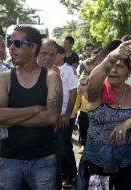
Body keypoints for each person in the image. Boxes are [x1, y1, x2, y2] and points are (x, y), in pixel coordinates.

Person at [76, 39, 131, 190]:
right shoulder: (97, 92)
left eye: (120, 66)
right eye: (111, 66)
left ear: (129, 73)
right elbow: (93, 81)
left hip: (128, 164)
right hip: (97, 165)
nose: (113, 70)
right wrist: (112, 57)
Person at [0, 26, 63, 189]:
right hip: (8, 160)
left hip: (43, 160)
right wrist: (35, 109)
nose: (11, 47)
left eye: (17, 43)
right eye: (9, 42)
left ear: (33, 47)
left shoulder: (51, 77)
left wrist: (10, 118)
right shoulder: (4, 78)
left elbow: (51, 117)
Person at [54, 45, 79, 188]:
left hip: (66, 117)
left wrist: (67, 114)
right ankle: (61, 174)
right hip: (53, 117)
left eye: (54, 54)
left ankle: (70, 175)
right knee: (56, 148)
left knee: (64, 148)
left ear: (62, 55)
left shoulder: (69, 70)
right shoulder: (48, 69)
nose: (50, 57)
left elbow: (73, 93)